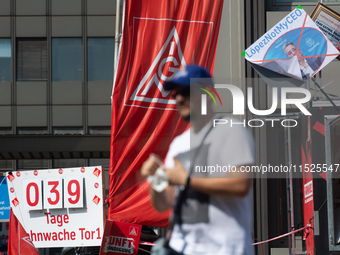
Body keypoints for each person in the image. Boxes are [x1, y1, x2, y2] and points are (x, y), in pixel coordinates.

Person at [141, 64, 255, 255]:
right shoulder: (178, 144)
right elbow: (162, 204)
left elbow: (240, 185)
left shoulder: (231, 131)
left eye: (186, 92)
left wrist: (186, 180)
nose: (178, 98)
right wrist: (154, 179)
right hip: (182, 248)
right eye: (175, 94)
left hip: (224, 250)